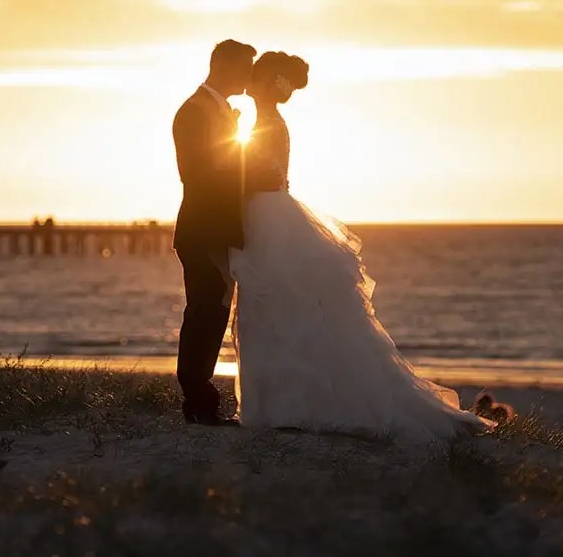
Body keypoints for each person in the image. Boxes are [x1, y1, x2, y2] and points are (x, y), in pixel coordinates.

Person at [227, 51, 495, 442]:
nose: (249, 78)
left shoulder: (268, 124)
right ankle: (274, 405)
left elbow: (261, 176)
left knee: (276, 311)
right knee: (271, 311)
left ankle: (285, 406)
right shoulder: (264, 122)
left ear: (269, 84)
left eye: (257, 74)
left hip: (269, 220)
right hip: (268, 217)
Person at [170, 39, 281, 425]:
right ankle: (197, 401)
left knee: (212, 312)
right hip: (203, 229)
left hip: (216, 228)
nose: (250, 76)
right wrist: (254, 176)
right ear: (226, 67)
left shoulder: (213, 110)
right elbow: (201, 172)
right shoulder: (195, 112)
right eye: (246, 68)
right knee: (204, 311)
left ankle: (201, 400)